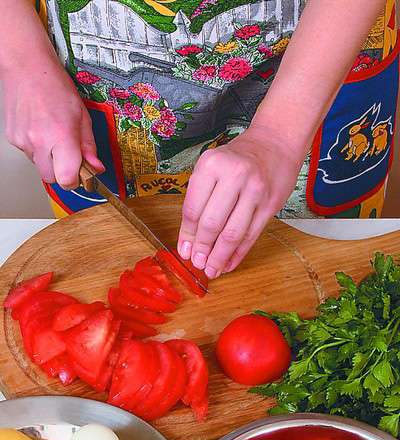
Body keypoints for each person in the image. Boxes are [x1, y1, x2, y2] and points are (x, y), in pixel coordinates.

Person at [0, 1, 398, 280]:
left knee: (329, 276)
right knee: (101, 270)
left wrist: (279, 136)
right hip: (100, 56)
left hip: (322, 46)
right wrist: (23, 61)